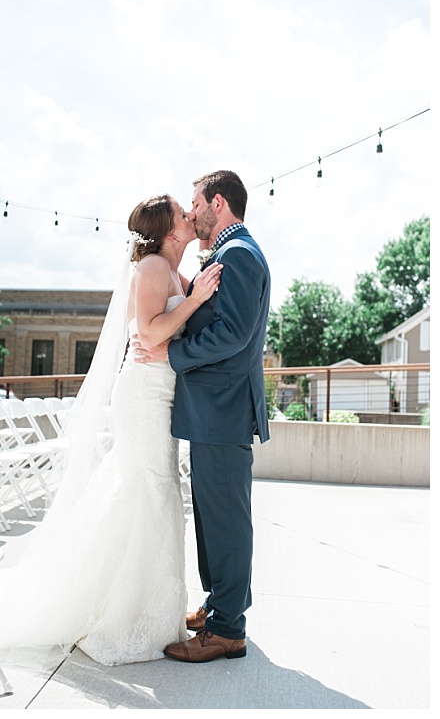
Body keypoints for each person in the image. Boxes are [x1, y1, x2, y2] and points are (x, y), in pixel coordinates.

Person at [0, 194, 222, 667]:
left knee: (155, 494)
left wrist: (196, 294)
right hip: (143, 396)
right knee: (147, 491)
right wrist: (196, 300)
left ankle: (150, 608)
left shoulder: (174, 272)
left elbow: (175, 323)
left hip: (162, 394)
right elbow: (147, 334)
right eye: (182, 212)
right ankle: (118, 616)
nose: (190, 216)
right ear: (168, 229)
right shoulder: (150, 269)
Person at [133, 169, 271, 663]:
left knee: (227, 522)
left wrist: (172, 355)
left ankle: (228, 629)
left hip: (223, 409)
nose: (191, 212)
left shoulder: (238, 255)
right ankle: (220, 608)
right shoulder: (230, 254)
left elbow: (231, 336)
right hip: (214, 410)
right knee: (215, 520)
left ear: (217, 202)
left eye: (196, 202)